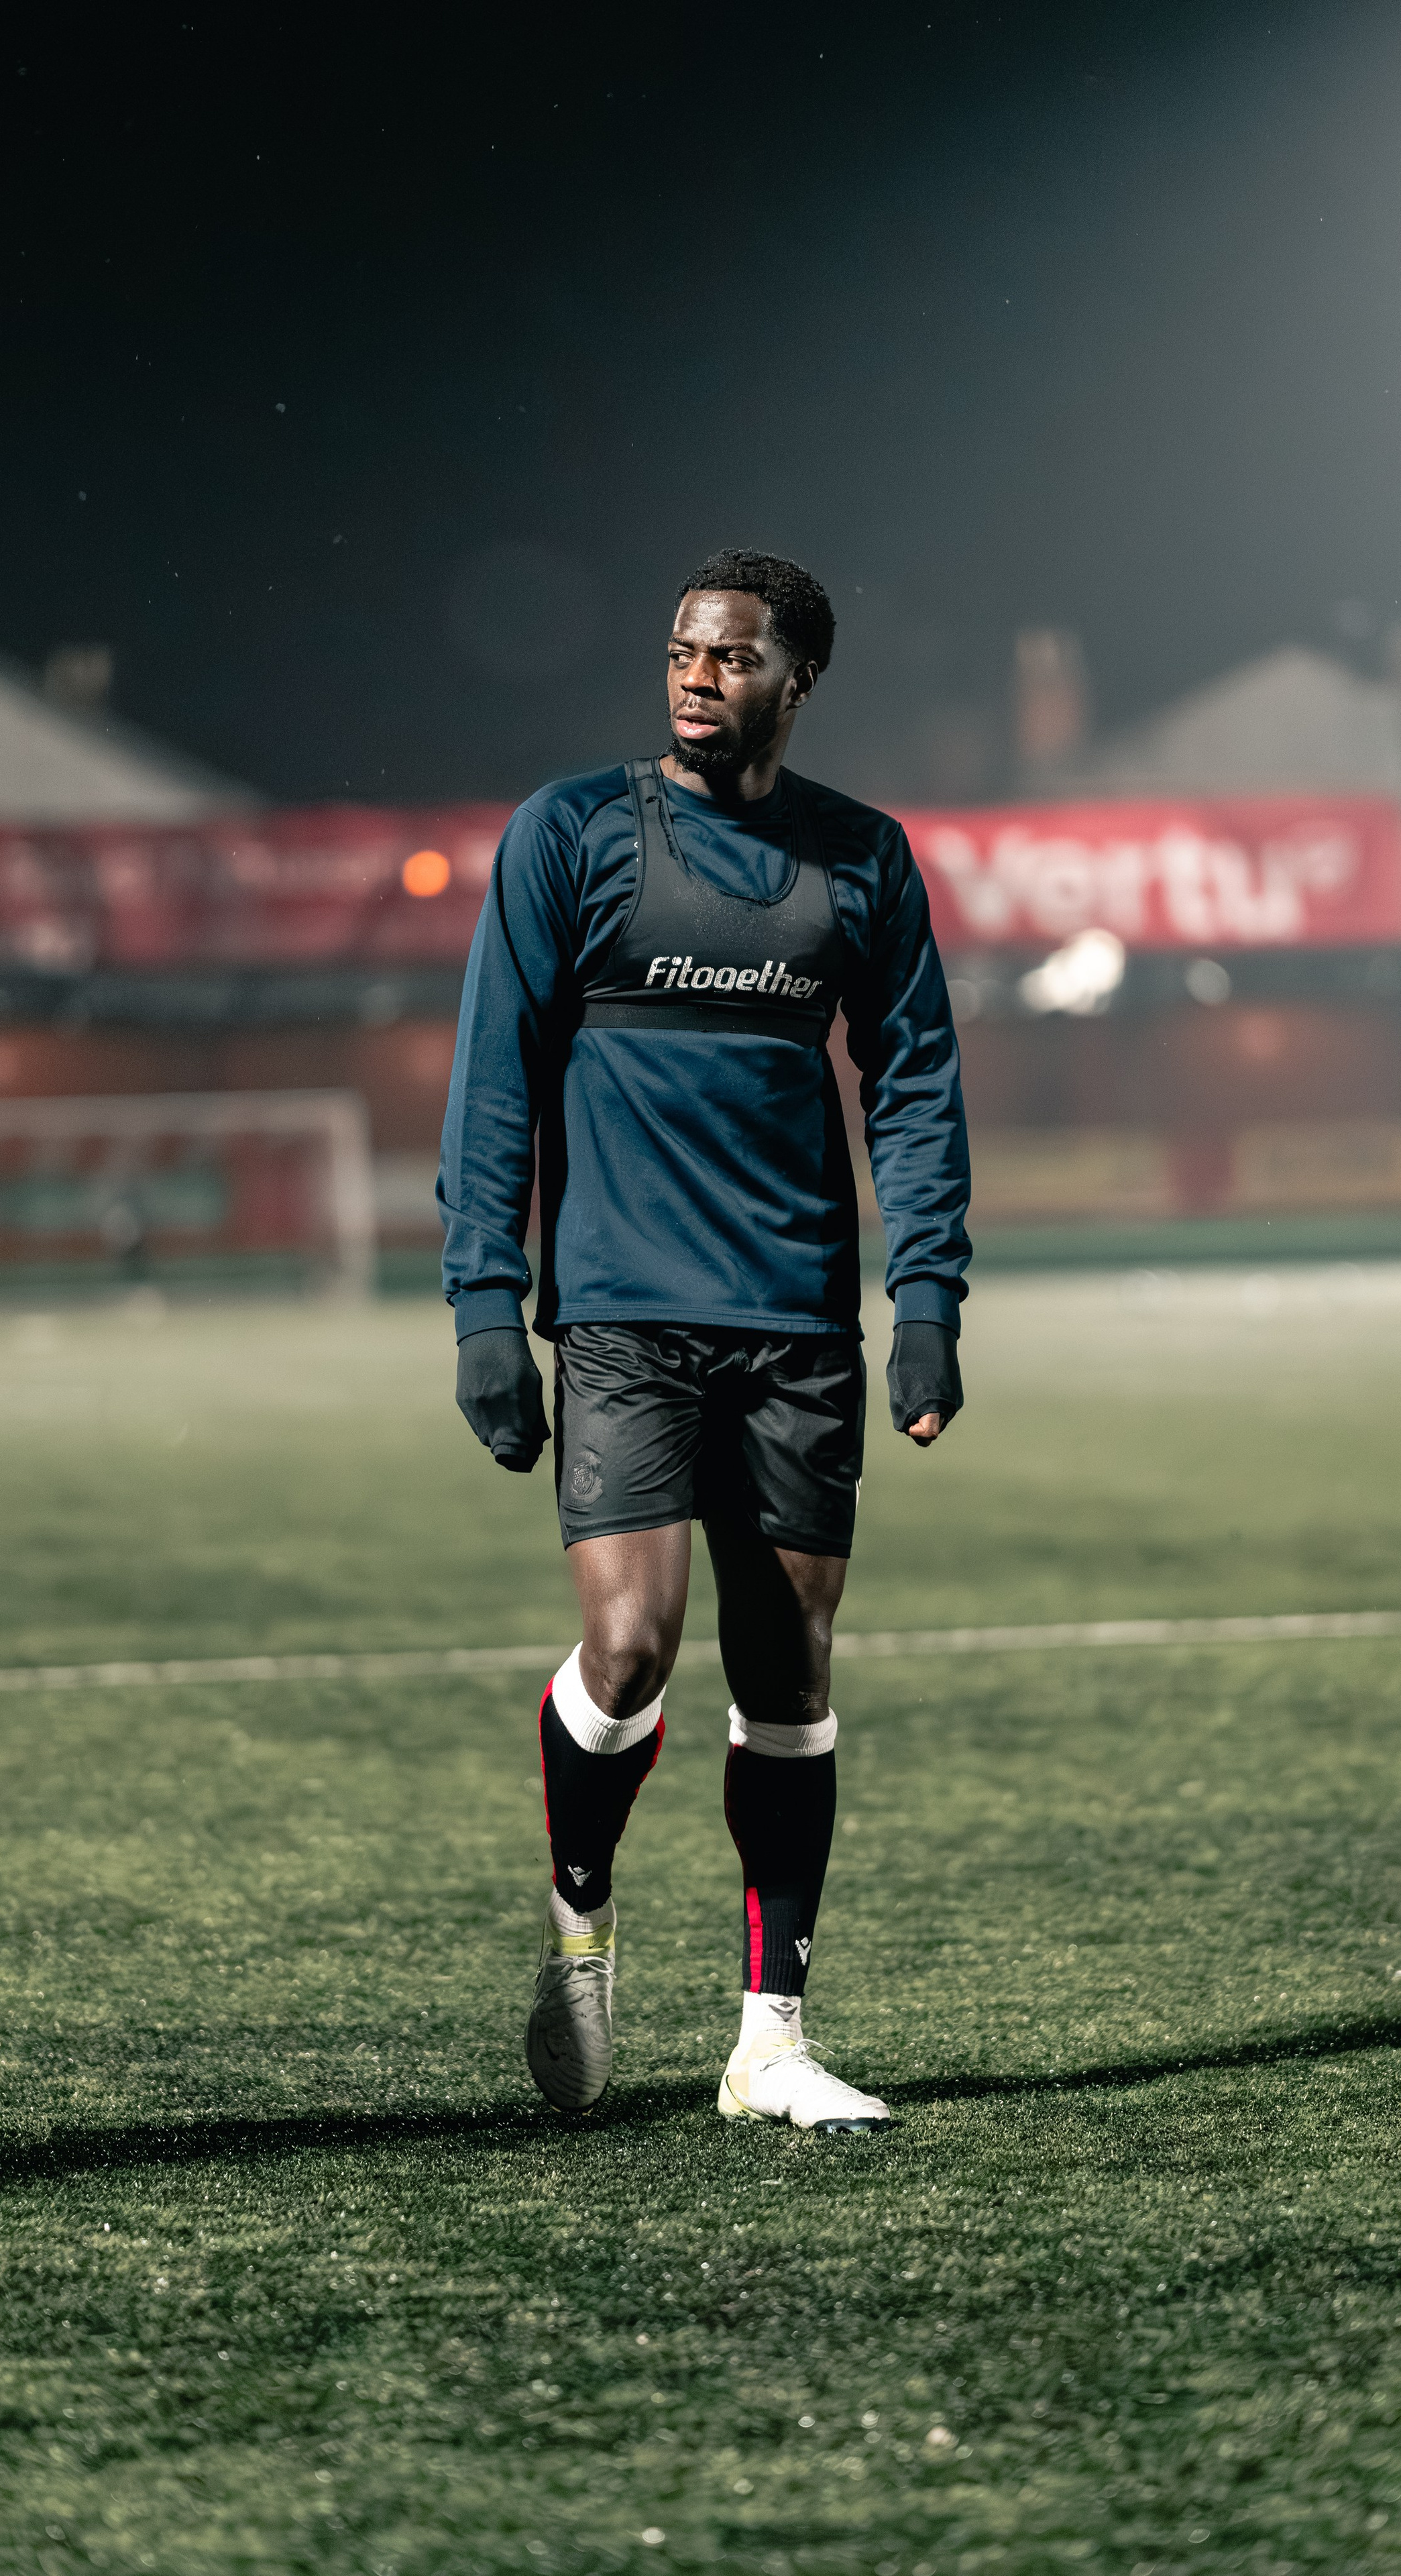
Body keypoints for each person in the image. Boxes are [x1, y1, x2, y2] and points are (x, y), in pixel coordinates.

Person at [437, 548, 970, 2131]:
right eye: (680, 649)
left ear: (794, 681)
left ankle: (770, 2041)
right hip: (618, 1317)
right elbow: (494, 1077)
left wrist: (925, 1305)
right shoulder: (574, 833)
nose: (693, 675)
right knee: (630, 1650)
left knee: (791, 1678)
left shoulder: (861, 861)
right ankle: (581, 1916)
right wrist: (485, 1311)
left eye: (730, 657)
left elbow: (918, 1083)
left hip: (795, 1321)